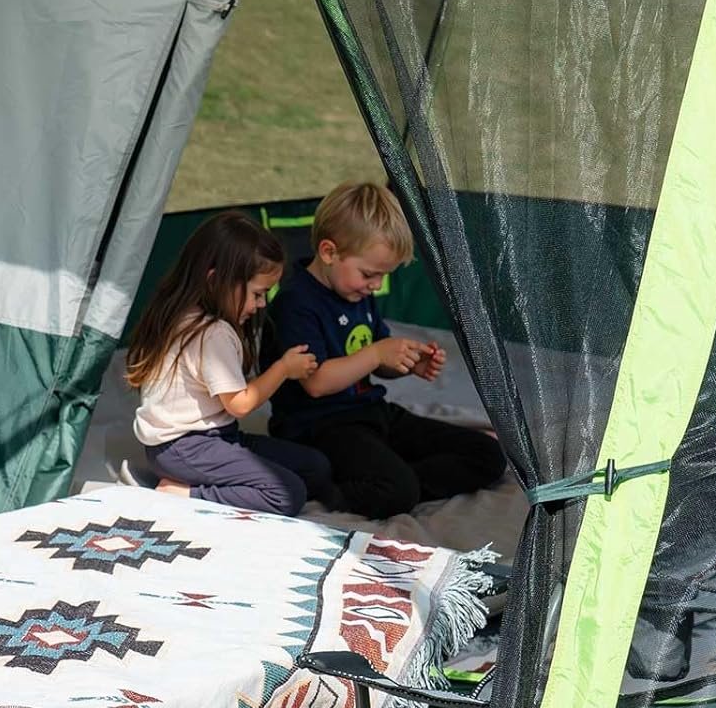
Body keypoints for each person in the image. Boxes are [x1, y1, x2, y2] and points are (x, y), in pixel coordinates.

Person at [268, 181, 507, 519]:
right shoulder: (296, 303)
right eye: (369, 274)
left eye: (383, 276)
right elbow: (317, 383)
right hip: (321, 427)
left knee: (487, 454)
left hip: (372, 412)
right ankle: (340, 486)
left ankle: (391, 478)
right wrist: (377, 353)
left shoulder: (355, 291)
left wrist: (404, 364)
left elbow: (375, 363)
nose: (376, 285)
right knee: (397, 490)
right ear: (329, 252)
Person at [122, 211, 337, 515]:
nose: (261, 304)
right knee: (287, 492)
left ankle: (210, 484)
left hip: (214, 439)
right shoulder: (211, 333)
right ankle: (185, 493)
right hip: (185, 447)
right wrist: (284, 369)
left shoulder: (184, 315)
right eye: (258, 294)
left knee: (314, 466)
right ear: (216, 281)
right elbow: (239, 403)